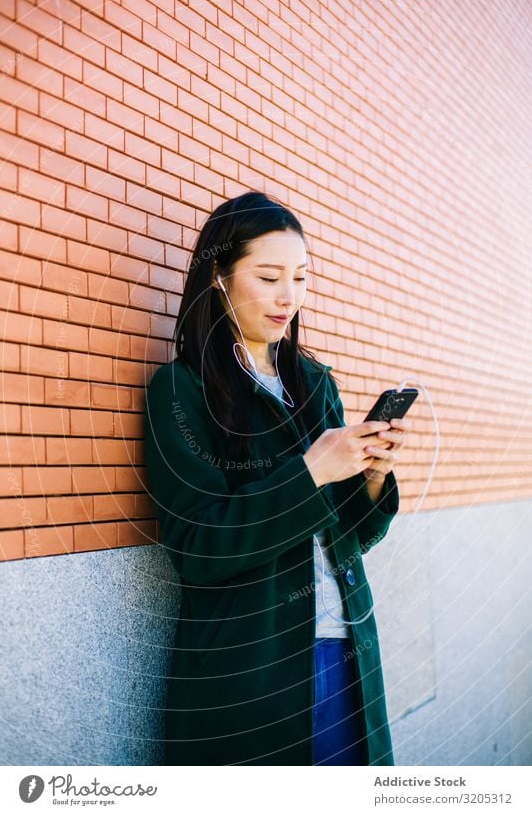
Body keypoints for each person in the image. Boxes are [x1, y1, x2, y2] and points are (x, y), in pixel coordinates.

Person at [144, 190, 409, 765]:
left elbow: (354, 536)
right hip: (251, 668)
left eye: (301, 277)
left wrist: (368, 477)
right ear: (219, 276)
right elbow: (198, 546)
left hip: (344, 652)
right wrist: (312, 471)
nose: (289, 297)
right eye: (268, 277)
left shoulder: (316, 384)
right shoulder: (182, 391)